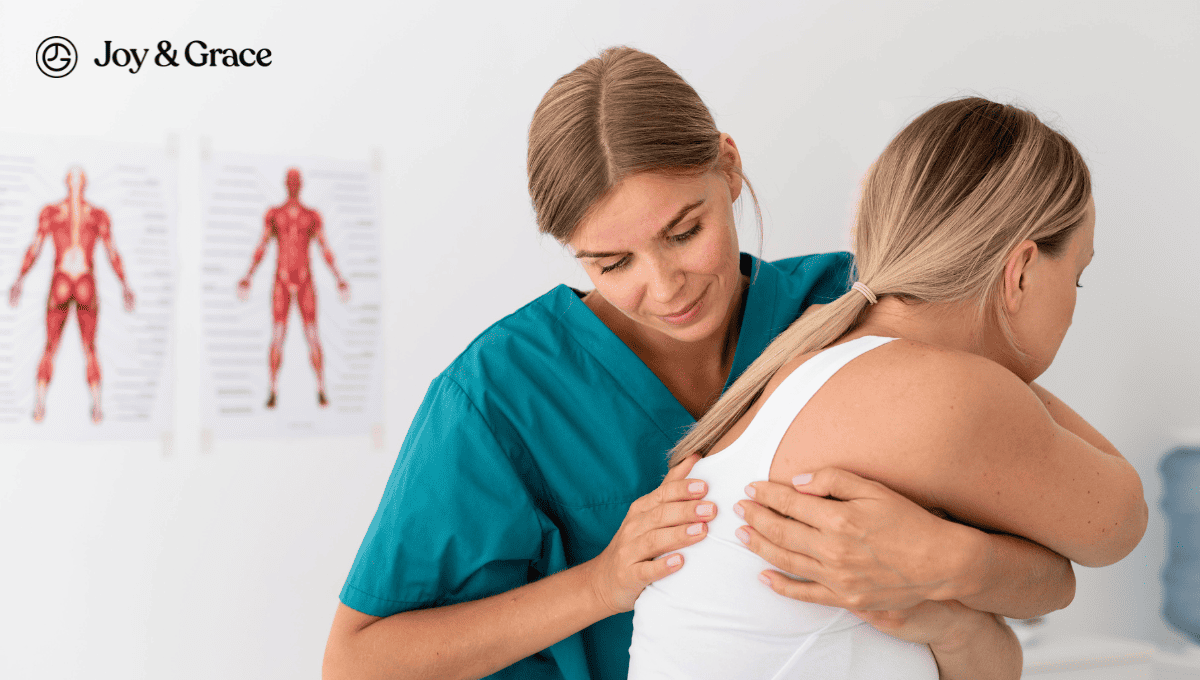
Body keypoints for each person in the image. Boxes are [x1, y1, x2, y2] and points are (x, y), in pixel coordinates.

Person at [322, 48, 1076, 680]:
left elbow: (1050, 564)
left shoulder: (855, 308)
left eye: (684, 232)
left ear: (729, 167)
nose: (663, 286)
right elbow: (355, 661)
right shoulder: (502, 393)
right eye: (611, 263)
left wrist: (940, 560)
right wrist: (603, 583)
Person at [629, 97, 1148, 679]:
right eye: (1076, 275)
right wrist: (957, 560)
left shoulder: (810, 360)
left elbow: (1046, 594)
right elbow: (1120, 523)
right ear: (1021, 271)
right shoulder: (945, 393)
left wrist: (952, 571)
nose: (1076, 303)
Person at [8, 167, 136, 423]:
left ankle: (44, 405)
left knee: (58, 347)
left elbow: (35, 247)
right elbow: (111, 252)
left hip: (66, 280)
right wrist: (124, 285)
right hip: (79, 280)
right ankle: (86, 406)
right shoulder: (90, 215)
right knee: (84, 348)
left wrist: (20, 280)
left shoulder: (60, 213)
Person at [237, 167, 350, 408]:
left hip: (304, 279)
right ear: (286, 184)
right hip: (282, 279)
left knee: (312, 334)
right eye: (291, 181)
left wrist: (339, 277)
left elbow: (324, 247)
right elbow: (263, 245)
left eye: (296, 181)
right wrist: (248, 275)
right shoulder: (274, 215)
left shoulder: (312, 216)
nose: (293, 185)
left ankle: (321, 387)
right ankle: (273, 389)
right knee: (278, 335)